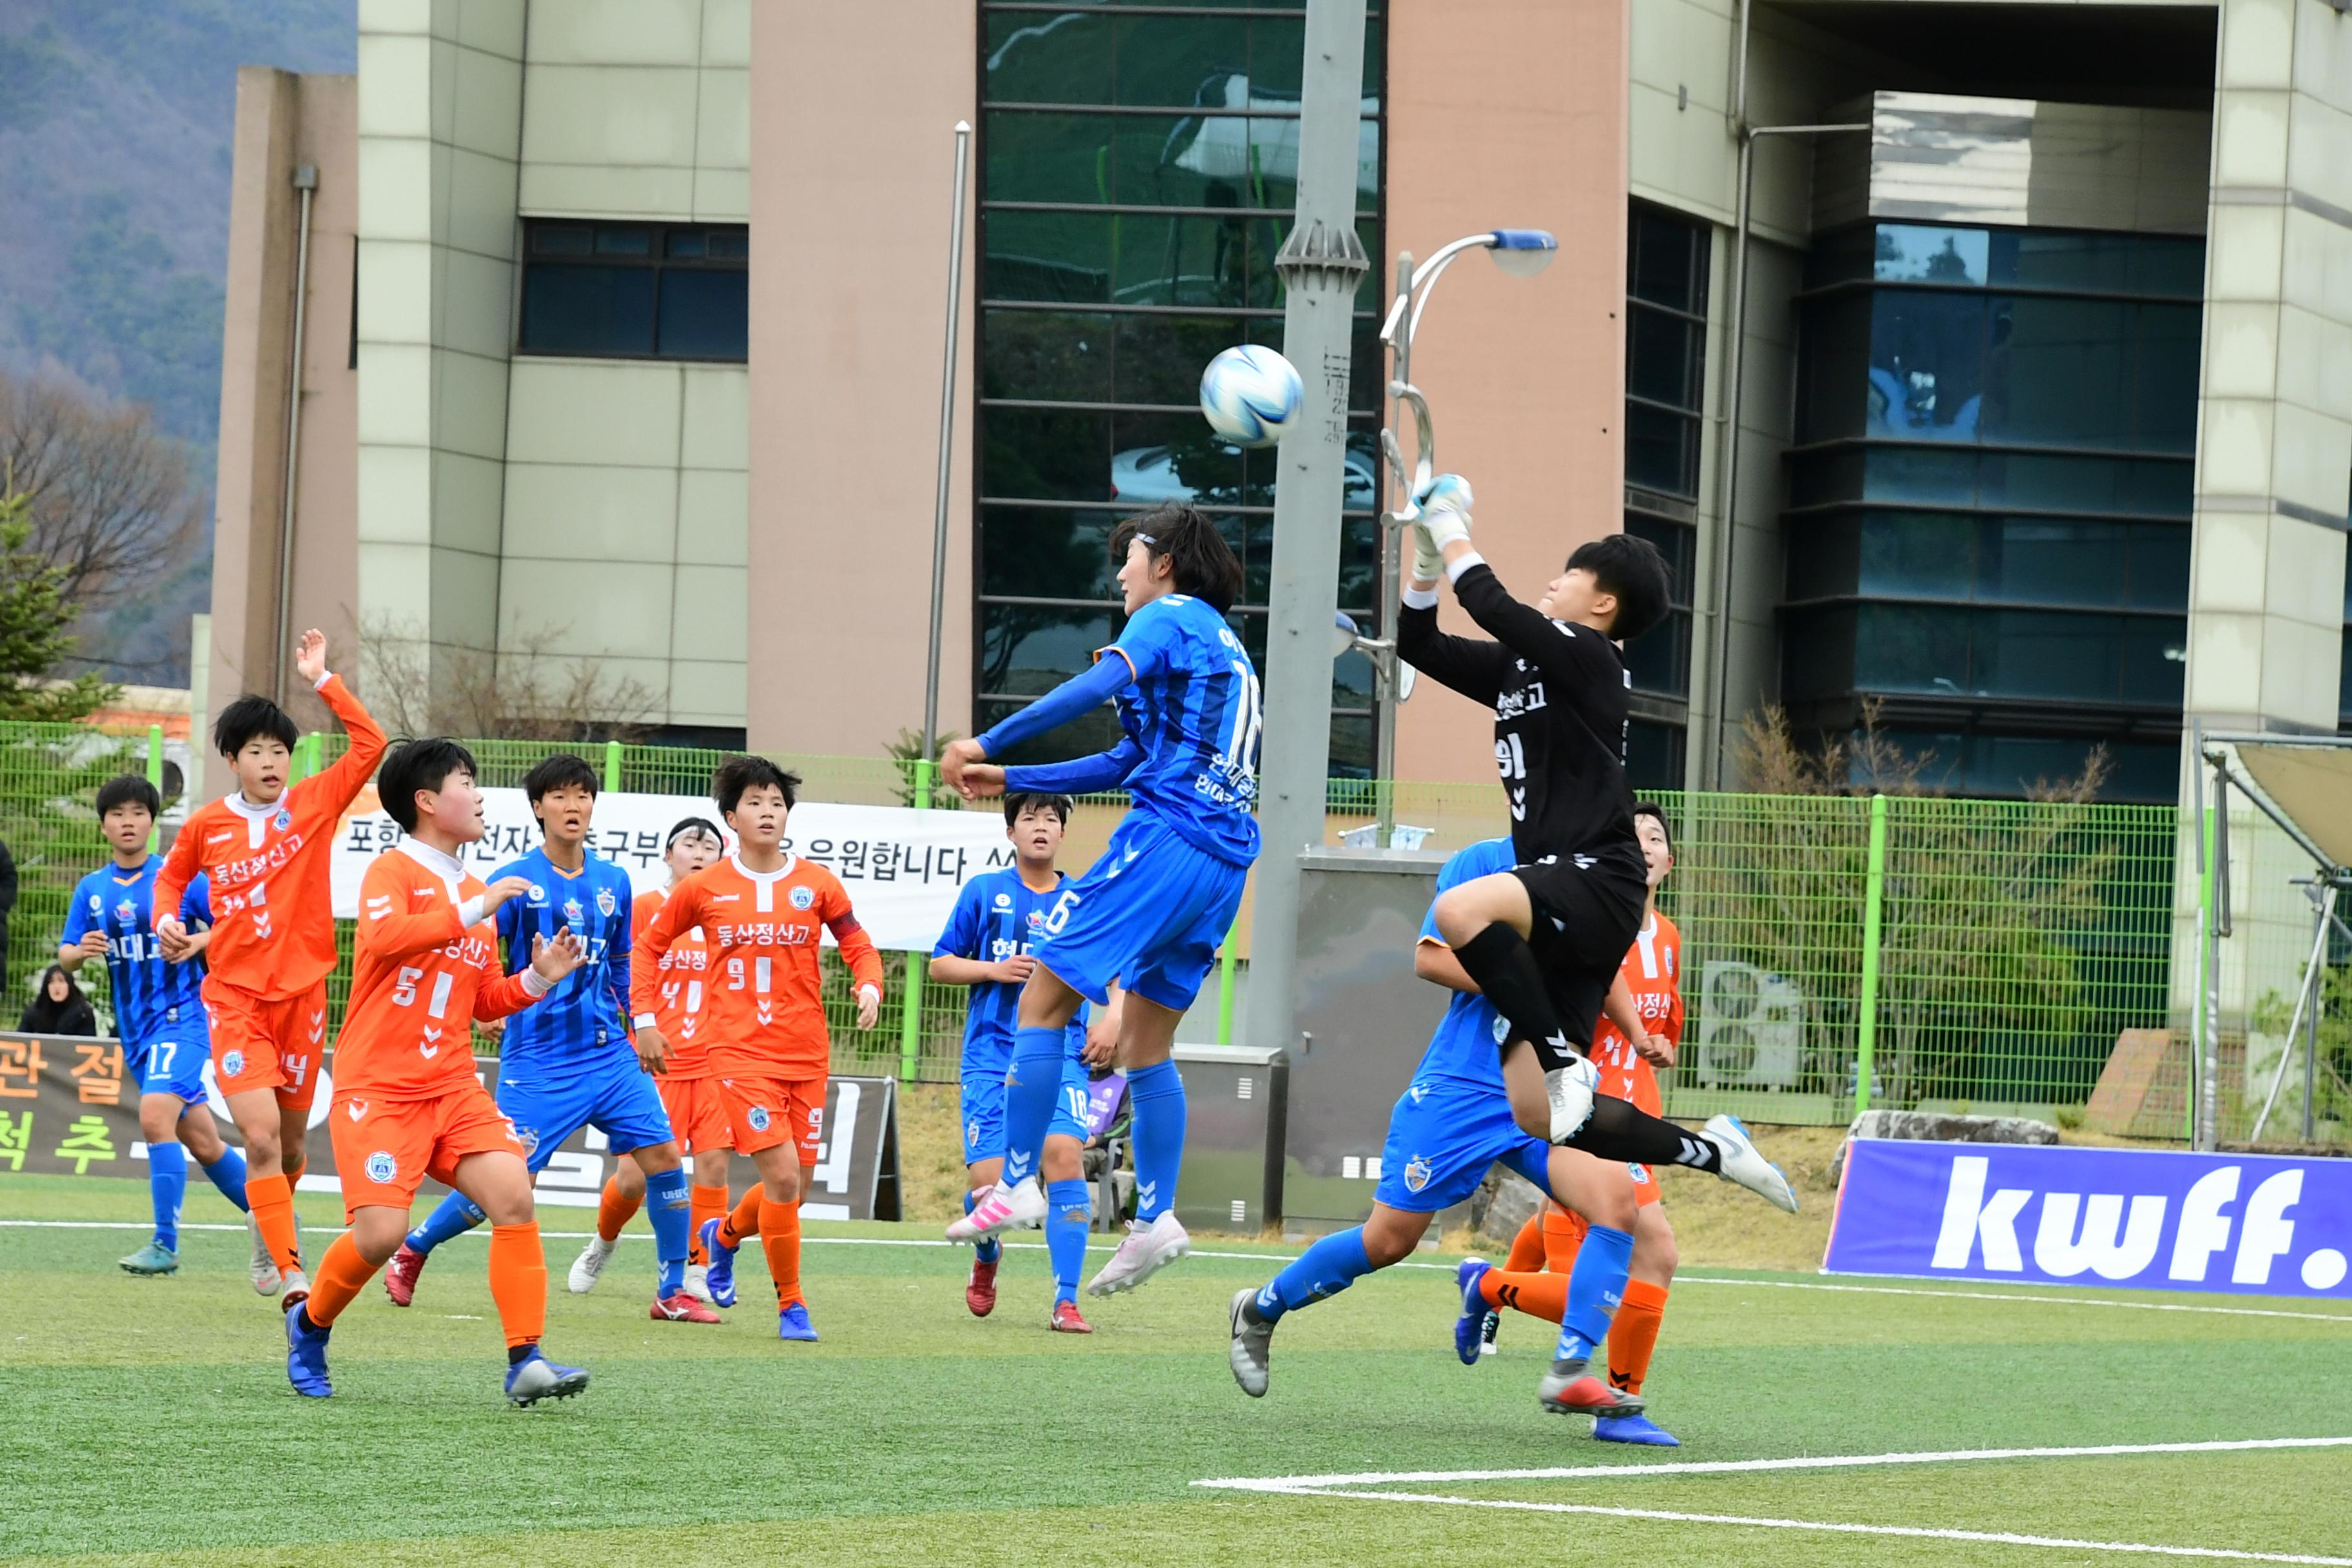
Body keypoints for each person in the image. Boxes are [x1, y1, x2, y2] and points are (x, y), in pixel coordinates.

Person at [1393, 478, 1792, 1202]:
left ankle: (1556, 1053)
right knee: (1541, 1114)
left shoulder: (1590, 654)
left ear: (1603, 603)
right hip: (1570, 894)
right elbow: (1416, 643)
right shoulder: (1526, 668)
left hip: (1597, 874)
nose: (1554, 580)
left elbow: (1492, 604)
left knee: (1458, 912)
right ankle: (1714, 1149)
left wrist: (1451, 528)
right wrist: (1425, 560)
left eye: (1570, 574)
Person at [940, 502, 1260, 1298]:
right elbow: (1126, 758)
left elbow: (1096, 684)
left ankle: (1015, 1184)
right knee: (1148, 1046)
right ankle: (1156, 1217)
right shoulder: (1220, 644)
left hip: (1170, 838)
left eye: (1132, 556)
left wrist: (989, 742)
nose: (1120, 571)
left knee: (1043, 1000)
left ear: (1166, 564)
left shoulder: (1173, 615)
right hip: (1223, 862)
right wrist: (1014, 780)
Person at [1228, 836, 1651, 1416]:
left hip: (1545, 1085)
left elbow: (1603, 971)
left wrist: (1636, 1032)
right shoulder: (1485, 861)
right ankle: (1259, 1308)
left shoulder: (1591, 872)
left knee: (1616, 1201)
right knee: (1388, 1241)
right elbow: (1431, 956)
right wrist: (1528, 988)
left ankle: (1570, 1369)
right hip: (1464, 1089)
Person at [280, 737, 591, 1404]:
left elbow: (482, 1002)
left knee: (512, 1192)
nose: (479, 795)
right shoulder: (391, 872)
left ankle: (524, 1359)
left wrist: (537, 976)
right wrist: (476, 909)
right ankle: (309, 1323)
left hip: (452, 1085)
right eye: (466, 781)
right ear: (427, 801)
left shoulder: (477, 890)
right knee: (381, 1233)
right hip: (380, 1086)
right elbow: (390, 939)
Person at [385, 754, 711, 1324]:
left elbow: (622, 965)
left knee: (663, 1157)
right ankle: (415, 1245)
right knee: (509, 1182)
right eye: (559, 796)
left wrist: (642, 1025)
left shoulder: (615, 881)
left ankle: (672, 1291)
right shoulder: (514, 882)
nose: (573, 806)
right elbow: (482, 959)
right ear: (539, 808)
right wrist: (484, 1012)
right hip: (539, 1059)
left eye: (582, 796)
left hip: (610, 1053)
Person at [155, 629, 387, 1306]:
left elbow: (371, 745)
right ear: (232, 758)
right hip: (233, 1000)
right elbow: (169, 885)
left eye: (279, 749)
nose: (269, 760)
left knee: (287, 1147)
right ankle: (290, 1270)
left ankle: (268, 1216)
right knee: (257, 1138)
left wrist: (323, 679)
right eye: (255, 749)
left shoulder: (313, 802)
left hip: (304, 999)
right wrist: (168, 919)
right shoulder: (205, 825)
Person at [633, 756, 884, 1342]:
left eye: (777, 803)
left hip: (806, 1053)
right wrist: (645, 1020)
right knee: (782, 1177)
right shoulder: (703, 888)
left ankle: (720, 1240)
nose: (768, 812)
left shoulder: (816, 882)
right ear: (731, 819)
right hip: (739, 1055)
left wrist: (869, 983)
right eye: (755, 803)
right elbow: (647, 950)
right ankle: (791, 1305)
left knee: (790, 1189)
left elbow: (856, 941)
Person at [1460, 801, 1686, 1446]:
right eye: (1633, 835)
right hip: (1586, 1107)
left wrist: (1656, 1042)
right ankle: (1498, 1290)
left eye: (1656, 837)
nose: (1644, 844)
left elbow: (1665, 1018)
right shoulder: (1593, 917)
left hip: (1636, 1107)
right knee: (1641, 1258)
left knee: (1631, 1261)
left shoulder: (1666, 937)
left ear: (1670, 862)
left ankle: (1495, 1289)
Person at [60, 775, 258, 1282]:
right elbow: (66, 957)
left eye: (138, 812)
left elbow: (233, 927)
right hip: (137, 1033)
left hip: (185, 1017)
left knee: (154, 1118)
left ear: (152, 820)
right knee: (206, 1143)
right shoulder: (92, 889)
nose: (128, 822)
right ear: (104, 825)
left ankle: (164, 1244)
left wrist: (198, 944)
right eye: (117, 814)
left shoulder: (178, 877)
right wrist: (79, 953)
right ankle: (281, 1223)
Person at [930, 792, 1101, 1331]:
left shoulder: (1082, 898)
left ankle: (1066, 1300)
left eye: (1052, 819)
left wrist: (1115, 1016)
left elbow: (1114, 967)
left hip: (1061, 1052)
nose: (1042, 827)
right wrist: (991, 971)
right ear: (1011, 834)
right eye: (1030, 818)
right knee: (991, 1187)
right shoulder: (984, 892)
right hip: (990, 1056)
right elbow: (940, 964)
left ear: (1063, 834)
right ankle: (987, 1256)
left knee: (1064, 1157)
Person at [571, 816, 730, 1303]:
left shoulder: (729, 914)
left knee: (714, 1167)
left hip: (715, 1064)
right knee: (633, 1177)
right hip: (654, 1064)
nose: (699, 852)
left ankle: (702, 1267)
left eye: (710, 846)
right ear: (668, 855)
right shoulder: (644, 909)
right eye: (689, 844)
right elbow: (619, 972)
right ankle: (603, 1242)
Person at [20, 965, 97, 1035]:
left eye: (61, 981)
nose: (56, 987)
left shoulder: (83, 1013)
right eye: (51, 982)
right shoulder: (33, 1013)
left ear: (69, 985)